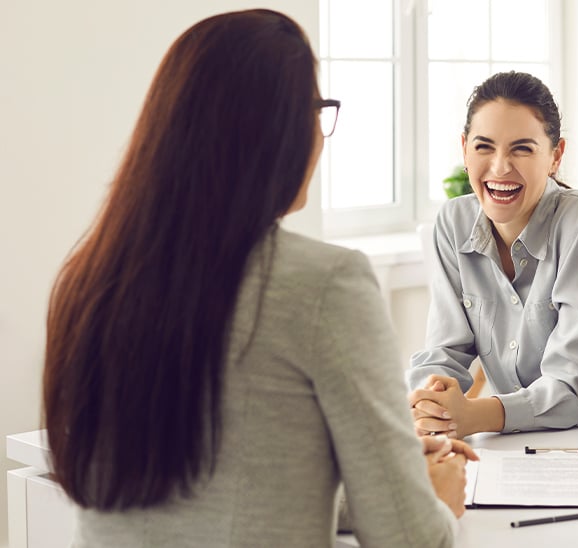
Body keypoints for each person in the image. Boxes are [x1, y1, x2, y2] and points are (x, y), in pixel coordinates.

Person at [42, 9, 473, 547]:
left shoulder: (89, 281)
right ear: (276, 131)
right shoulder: (326, 284)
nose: (321, 135)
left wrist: (394, 476)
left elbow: (215, 489)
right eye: (317, 109)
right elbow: (408, 539)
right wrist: (436, 499)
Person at [407, 71, 578, 438]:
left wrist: (474, 415)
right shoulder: (453, 222)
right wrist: (431, 401)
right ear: (464, 149)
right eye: (484, 146)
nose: (500, 167)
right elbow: (446, 349)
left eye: (522, 148)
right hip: (522, 432)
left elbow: (577, 385)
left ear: (555, 156)